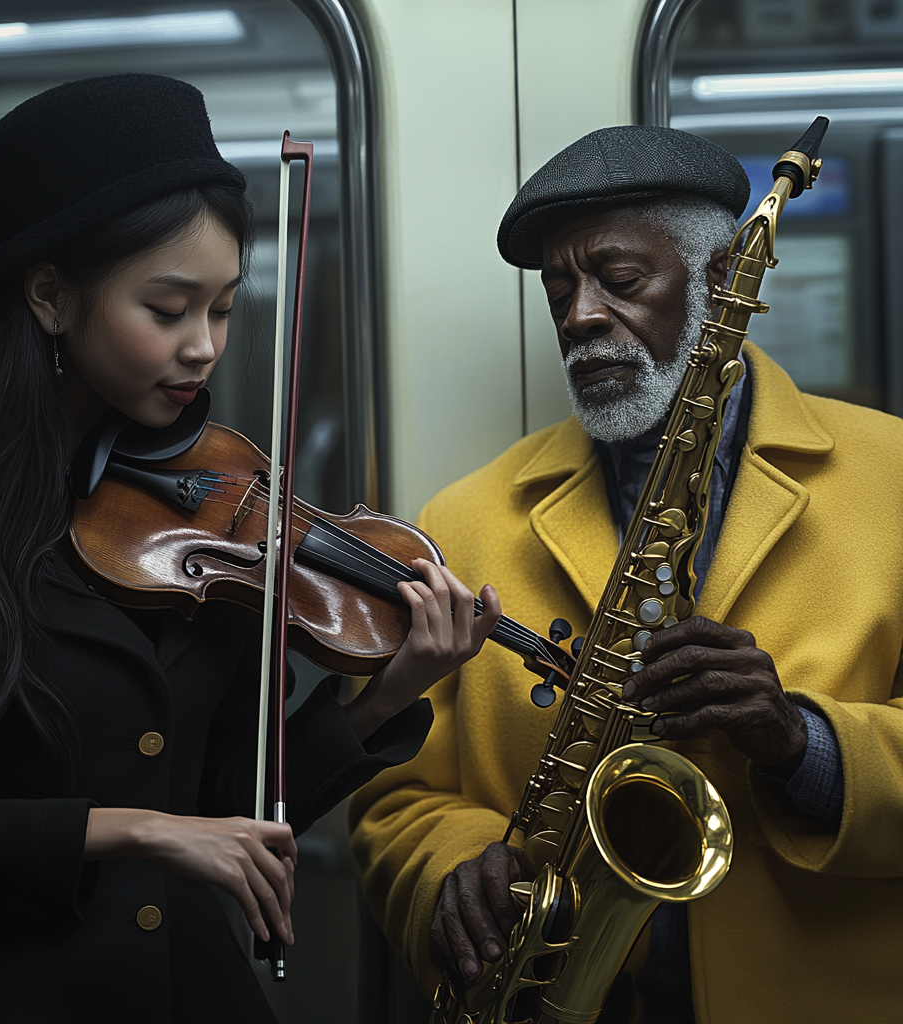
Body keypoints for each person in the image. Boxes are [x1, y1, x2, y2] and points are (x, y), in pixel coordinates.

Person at [0, 74, 502, 1023]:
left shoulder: (209, 526)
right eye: (167, 310)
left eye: (222, 308)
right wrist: (138, 833)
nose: (205, 346)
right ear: (51, 297)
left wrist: (391, 689)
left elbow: (233, 802)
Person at [350, 126, 903, 1024]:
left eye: (621, 280)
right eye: (558, 288)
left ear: (724, 276)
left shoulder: (896, 479)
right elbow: (390, 793)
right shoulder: (462, 519)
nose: (580, 316)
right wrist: (453, 862)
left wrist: (801, 742)